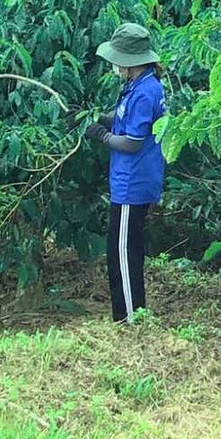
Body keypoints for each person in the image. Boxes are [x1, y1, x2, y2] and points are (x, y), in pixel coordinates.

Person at [77, 22, 168, 323]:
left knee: (123, 253)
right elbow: (122, 119)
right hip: (130, 181)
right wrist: (93, 118)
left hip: (133, 183)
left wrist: (101, 135)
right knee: (120, 249)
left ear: (131, 61)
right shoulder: (139, 85)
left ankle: (130, 319)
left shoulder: (144, 93)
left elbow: (131, 142)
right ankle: (127, 316)